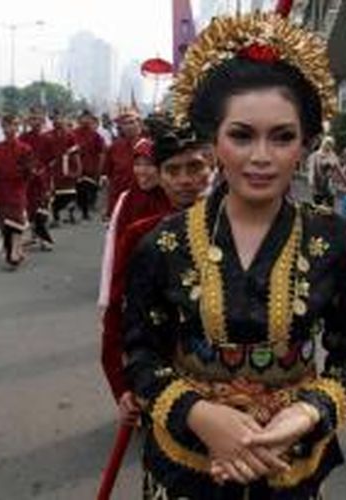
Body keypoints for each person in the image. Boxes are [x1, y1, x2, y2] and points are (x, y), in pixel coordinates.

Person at [122, 13, 346, 498]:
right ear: (214, 140)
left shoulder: (331, 238)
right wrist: (203, 416)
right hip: (189, 461)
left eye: (282, 137)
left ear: (304, 144)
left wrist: (304, 415)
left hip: (289, 462)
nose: (262, 156)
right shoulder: (163, 244)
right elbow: (141, 356)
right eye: (241, 135)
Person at [101, 124, 212, 425]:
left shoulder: (236, 226)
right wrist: (122, 383)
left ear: (211, 167)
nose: (185, 180)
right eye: (173, 171)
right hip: (162, 370)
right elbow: (119, 309)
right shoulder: (141, 234)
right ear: (160, 177)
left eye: (195, 167)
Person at [97, 138, 171, 314]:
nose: (142, 171)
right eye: (137, 164)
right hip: (134, 285)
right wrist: (109, 296)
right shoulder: (126, 200)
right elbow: (113, 249)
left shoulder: (176, 198)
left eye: (149, 164)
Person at [0, 115, 34, 267]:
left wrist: (20, 176)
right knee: (3, 224)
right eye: (8, 125)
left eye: (14, 125)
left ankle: (15, 250)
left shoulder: (25, 149)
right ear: (2, 127)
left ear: (18, 127)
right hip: (1, 189)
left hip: (17, 188)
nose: (11, 129)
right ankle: (14, 249)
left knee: (16, 220)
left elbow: (28, 171)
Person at [19, 108, 54, 250]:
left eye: (38, 119)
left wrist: (45, 172)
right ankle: (34, 235)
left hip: (43, 178)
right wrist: (27, 169)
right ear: (28, 121)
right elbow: (19, 159)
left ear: (42, 121)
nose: (35, 122)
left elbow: (52, 160)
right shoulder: (23, 138)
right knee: (30, 209)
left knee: (43, 209)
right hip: (28, 179)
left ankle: (44, 240)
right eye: (32, 118)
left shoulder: (48, 139)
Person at [102, 110, 142, 218]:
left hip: (143, 197)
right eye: (126, 123)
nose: (130, 126)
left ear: (140, 124)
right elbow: (109, 174)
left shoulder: (149, 146)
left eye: (132, 122)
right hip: (119, 196)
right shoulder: (114, 147)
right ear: (121, 128)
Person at [45, 110, 81, 225]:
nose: (57, 121)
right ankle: (56, 218)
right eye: (55, 118)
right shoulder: (47, 135)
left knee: (70, 192)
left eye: (59, 118)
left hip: (67, 166)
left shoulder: (70, 135)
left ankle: (71, 215)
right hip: (54, 168)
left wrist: (78, 167)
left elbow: (75, 152)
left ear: (63, 119)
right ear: (52, 120)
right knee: (55, 194)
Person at [73, 110, 106, 221]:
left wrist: (100, 169)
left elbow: (101, 152)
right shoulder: (73, 133)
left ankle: (86, 210)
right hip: (77, 167)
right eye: (83, 118)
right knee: (80, 190)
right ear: (79, 119)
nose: (85, 120)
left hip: (91, 167)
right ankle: (83, 211)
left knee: (89, 189)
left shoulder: (96, 135)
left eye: (88, 118)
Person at [308, 136, 339, 207]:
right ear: (324, 144)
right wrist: (311, 182)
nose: (329, 146)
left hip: (329, 186)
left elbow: (338, 170)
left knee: (329, 209)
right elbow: (311, 171)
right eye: (328, 144)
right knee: (318, 208)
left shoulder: (333, 155)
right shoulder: (315, 156)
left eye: (331, 144)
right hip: (318, 185)